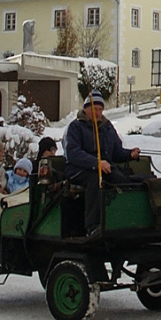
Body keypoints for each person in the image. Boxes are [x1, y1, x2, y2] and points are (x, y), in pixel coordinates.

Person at [64, 90, 141, 235]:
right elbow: (73, 153)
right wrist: (96, 163)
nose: (98, 113)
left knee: (120, 179)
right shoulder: (75, 127)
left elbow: (116, 151)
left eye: (100, 109)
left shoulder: (107, 127)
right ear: (86, 109)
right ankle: (92, 226)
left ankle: (120, 219)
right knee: (95, 178)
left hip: (104, 167)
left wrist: (130, 154)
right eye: (94, 109)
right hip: (78, 169)